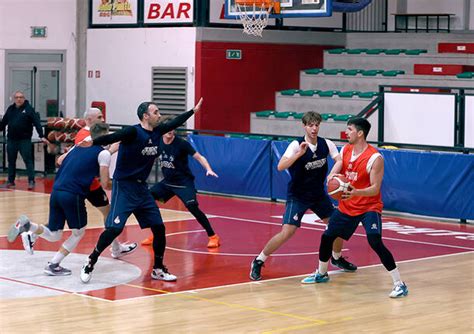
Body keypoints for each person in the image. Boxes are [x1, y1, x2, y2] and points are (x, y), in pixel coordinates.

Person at [79, 98, 203, 283]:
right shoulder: (132, 132)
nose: (159, 115)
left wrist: (193, 110)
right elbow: (112, 137)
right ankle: (90, 261)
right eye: (156, 112)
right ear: (145, 116)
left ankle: (158, 269)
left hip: (141, 188)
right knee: (114, 229)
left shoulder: (159, 131)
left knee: (159, 229)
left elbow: (174, 122)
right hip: (124, 185)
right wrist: (93, 141)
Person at [300, 117, 408, 298]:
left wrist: (356, 192)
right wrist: (332, 175)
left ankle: (399, 283)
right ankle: (321, 273)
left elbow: (375, 188)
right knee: (327, 237)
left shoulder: (375, 158)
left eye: (349, 129)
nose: (346, 132)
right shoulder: (346, 149)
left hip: (368, 206)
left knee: (375, 241)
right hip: (348, 204)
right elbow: (340, 165)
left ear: (360, 133)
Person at [250, 111, 356, 281]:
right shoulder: (295, 144)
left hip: (318, 194)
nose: (314, 128)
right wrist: (299, 153)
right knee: (287, 232)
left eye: (316, 125)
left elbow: (339, 160)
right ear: (304, 126)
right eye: (310, 125)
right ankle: (258, 260)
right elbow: (280, 166)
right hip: (298, 195)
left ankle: (336, 258)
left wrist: (333, 174)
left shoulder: (326, 144)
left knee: (337, 226)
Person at [7, 123, 113, 276]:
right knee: (78, 233)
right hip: (73, 194)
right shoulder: (103, 153)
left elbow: (61, 161)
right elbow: (105, 184)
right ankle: (53, 264)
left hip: (56, 191)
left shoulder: (78, 146)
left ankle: (28, 226)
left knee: (54, 234)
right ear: (104, 136)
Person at [57, 107, 137, 258]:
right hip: (86, 184)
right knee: (76, 226)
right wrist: (112, 150)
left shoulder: (90, 134)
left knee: (106, 213)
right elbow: (94, 155)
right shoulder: (85, 135)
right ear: (89, 120)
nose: (103, 119)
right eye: (100, 117)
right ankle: (34, 233)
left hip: (86, 183)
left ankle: (116, 247)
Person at [141, 119, 220, 248]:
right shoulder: (158, 142)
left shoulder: (181, 144)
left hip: (183, 182)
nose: (170, 131)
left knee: (193, 207)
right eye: (167, 128)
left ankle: (213, 236)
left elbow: (199, 157)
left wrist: (208, 169)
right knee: (147, 199)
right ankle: (156, 233)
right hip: (168, 182)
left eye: (172, 128)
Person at [0, 91, 49, 189]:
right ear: (14, 99)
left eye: (21, 97)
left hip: (24, 140)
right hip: (11, 140)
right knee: (11, 161)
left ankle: (31, 181)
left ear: (24, 98)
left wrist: (41, 135)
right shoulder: (10, 109)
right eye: (17, 97)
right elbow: (3, 123)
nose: (19, 99)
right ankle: (10, 181)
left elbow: (37, 123)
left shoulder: (29, 109)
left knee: (28, 161)